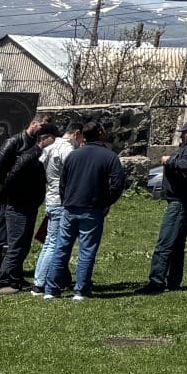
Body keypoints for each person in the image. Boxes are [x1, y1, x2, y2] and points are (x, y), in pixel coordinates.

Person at [42, 119, 125, 301]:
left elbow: (63, 183)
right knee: (86, 249)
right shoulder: (109, 156)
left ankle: (51, 289)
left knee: (61, 248)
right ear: (100, 133)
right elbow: (117, 183)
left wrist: (66, 200)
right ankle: (80, 290)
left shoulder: (74, 155)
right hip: (92, 208)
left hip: (70, 207)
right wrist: (106, 202)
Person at [0, 119, 55, 295]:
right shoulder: (14, 142)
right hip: (12, 197)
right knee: (1, 239)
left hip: (26, 198)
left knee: (21, 240)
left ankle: (15, 275)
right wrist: (11, 185)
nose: (43, 129)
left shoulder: (35, 143)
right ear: (34, 123)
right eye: (42, 125)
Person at [141, 119, 187, 294]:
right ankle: (173, 281)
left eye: (183, 133)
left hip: (181, 202)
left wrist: (168, 160)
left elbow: (184, 165)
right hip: (183, 200)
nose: (181, 136)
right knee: (177, 243)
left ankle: (156, 281)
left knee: (165, 242)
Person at [30, 120, 81, 298]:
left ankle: (40, 280)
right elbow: (73, 172)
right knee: (54, 243)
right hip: (60, 199)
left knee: (50, 242)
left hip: (51, 196)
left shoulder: (50, 147)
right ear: (76, 134)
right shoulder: (67, 149)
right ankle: (41, 283)